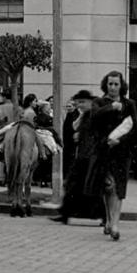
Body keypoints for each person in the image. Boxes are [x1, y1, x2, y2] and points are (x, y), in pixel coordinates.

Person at [82, 71, 137, 241]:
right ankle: (108, 219)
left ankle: (115, 224)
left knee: (117, 187)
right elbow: (93, 120)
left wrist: (120, 141)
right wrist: (110, 107)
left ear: (122, 86)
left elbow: (135, 128)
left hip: (122, 152)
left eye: (116, 84)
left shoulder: (129, 104)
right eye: (110, 84)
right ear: (105, 85)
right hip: (103, 151)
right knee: (107, 186)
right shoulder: (99, 103)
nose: (113, 87)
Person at [52, 89, 96, 223]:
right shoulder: (84, 115)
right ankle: (65, 214)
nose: (80, 105)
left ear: (90, 102)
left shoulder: (96, 115)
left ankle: (102, 216)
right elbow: (75, 127)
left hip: (92, 156)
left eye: (82, 102)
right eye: (78, 102)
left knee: (90, 188)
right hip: (82, 155)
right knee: (71, 184)